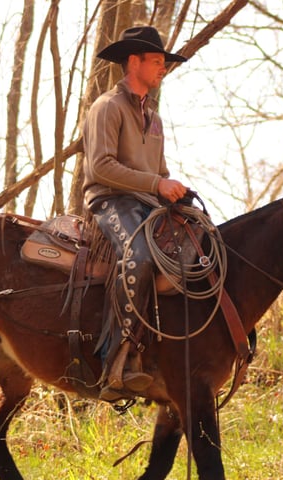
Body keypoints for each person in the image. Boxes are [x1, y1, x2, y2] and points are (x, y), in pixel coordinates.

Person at [82, 26, 189, 401]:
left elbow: (158, 173)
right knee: (138, 256)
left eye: (163, 63)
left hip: (147, 203)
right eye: (157, 61)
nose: (162, 68)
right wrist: (156, 185)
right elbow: (100, 168)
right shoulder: (107, 107)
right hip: (110, 201)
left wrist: (172, 190)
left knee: (195, 248)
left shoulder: (154, 117)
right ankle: (118, 361)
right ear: (133, 62)